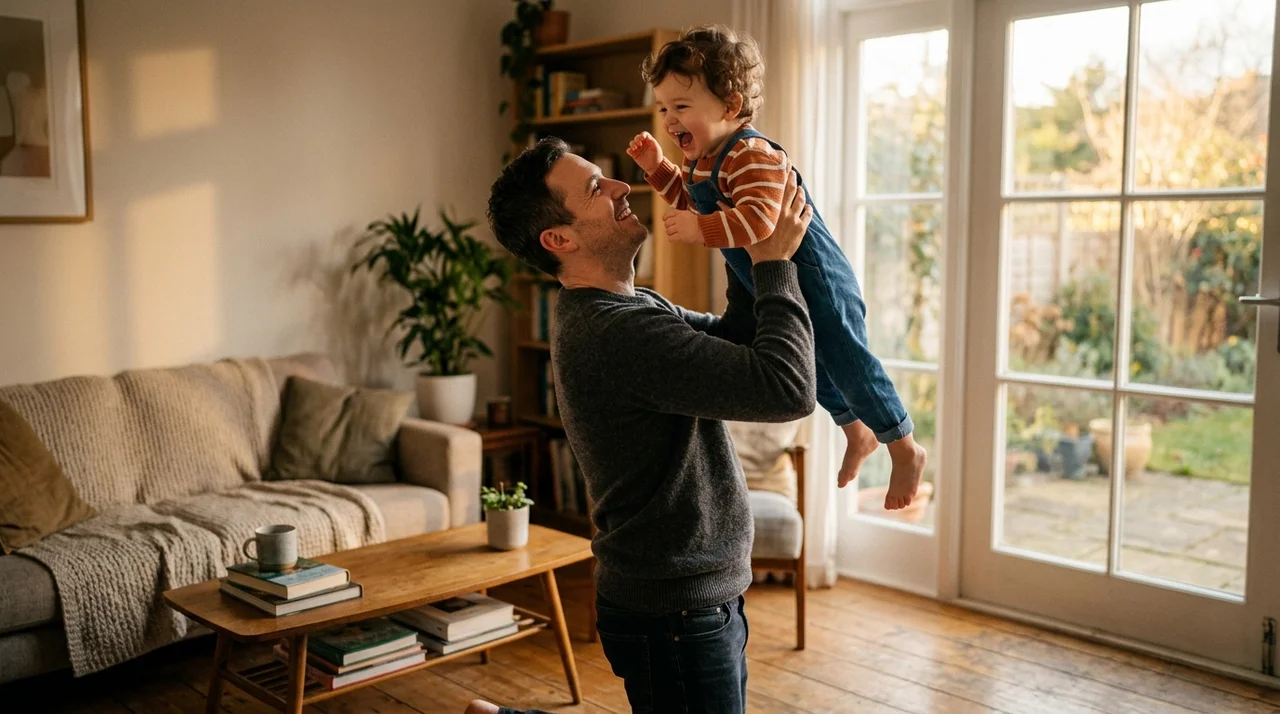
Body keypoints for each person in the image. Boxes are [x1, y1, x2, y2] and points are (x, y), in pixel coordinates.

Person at [479, 135, 817, 712]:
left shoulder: (634, 308)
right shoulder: (617, 333)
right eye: (594, 188)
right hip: (677, 610)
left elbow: (738, 340)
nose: (620, 185)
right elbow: (786, 387)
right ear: (559, 239)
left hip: (688, 599)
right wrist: (774, 263)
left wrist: (740, 236)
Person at [627, 25, 926, 509]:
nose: (669, 119)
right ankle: (856, 430)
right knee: (807, 361)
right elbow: (690, 199)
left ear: (729, 106)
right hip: (759, 278)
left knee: (846, 357)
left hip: (816, 278)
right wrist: (658, 168)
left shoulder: (750, 153)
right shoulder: (703, 160)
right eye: (663, 108)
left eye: (681, 107)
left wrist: (700, 231)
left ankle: (904, 444)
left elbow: (761, 220)